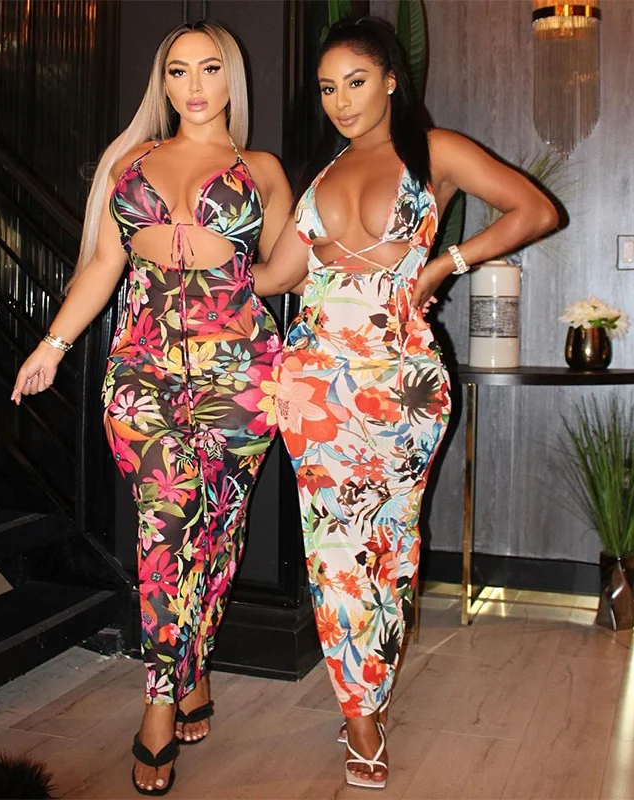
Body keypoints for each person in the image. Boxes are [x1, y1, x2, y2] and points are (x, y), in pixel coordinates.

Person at [252, 16, 558, 791]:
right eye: (327, 88)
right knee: (332, 549)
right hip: (314, 388)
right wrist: (206, 248)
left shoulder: (434, 151)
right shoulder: (320, 178)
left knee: (389, 544)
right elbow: (274, 277)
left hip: (402, 388)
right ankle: (360, 714)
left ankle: (371, 685)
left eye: (355, 82)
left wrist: (447, 263)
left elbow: (535, 211)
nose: (341, 101)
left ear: (391, 79)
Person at [11, 20, 291, 796]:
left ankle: (191, 668)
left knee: (216, 538)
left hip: (242, 373)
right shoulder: (129, 162)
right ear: (161, 82)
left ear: (232, 78)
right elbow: (104, 264)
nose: (193, 86)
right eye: (177, 70)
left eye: (209, 69)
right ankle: (160, 702)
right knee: (165, 527)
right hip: (142, 370)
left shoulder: (262, 170)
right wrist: (54, 345)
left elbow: (287, 271)